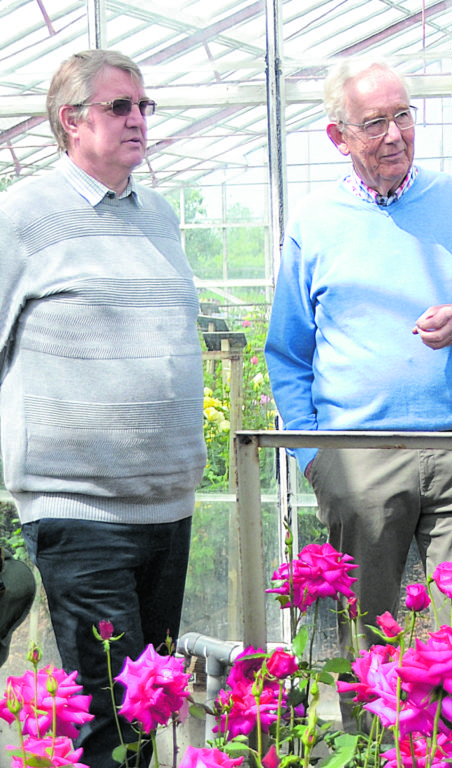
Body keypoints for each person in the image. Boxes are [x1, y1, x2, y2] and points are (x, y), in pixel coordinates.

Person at [265, 59, 452, 678]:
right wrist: (317, 457)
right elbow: (287, 352)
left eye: (404, 116)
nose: (395, 135)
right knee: (368, 636)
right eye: (375, 123)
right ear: (339, 137)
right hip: (358, 454)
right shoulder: (315, 222)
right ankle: (371, 751)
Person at [0, 50, 206, 767]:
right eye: (121, 106)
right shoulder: (23, 217)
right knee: (112, 717)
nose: (139, 120)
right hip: (78, 509)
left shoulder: (159, 216)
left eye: (145, 106)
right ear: (71, 119)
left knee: (149, 705)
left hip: (167, 507)